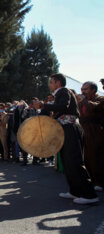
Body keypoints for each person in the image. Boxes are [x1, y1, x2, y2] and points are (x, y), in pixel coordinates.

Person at [34, 73, 98, 205]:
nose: (49, 84)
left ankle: (90, 195)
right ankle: (74, 191)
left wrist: (43, 105)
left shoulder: (63, 91)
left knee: (75, 161)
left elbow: (63, 106)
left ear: (57, 83)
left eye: (51, 82)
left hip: (70, 129)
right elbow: (60, 109)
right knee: (67, 162)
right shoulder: (58, 94)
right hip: (64, 130)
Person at [78, 81, 104, 191]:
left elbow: (93, 108)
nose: (83, 91)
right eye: (82, 89)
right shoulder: (82, 101)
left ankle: (100, 182)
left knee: (97, 157)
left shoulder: (100, 99)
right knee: (87, 158)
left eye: (86, 89)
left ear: (93, 90)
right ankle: (93, 180)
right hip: (85, 132)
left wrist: (83, 100)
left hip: (96, 132)